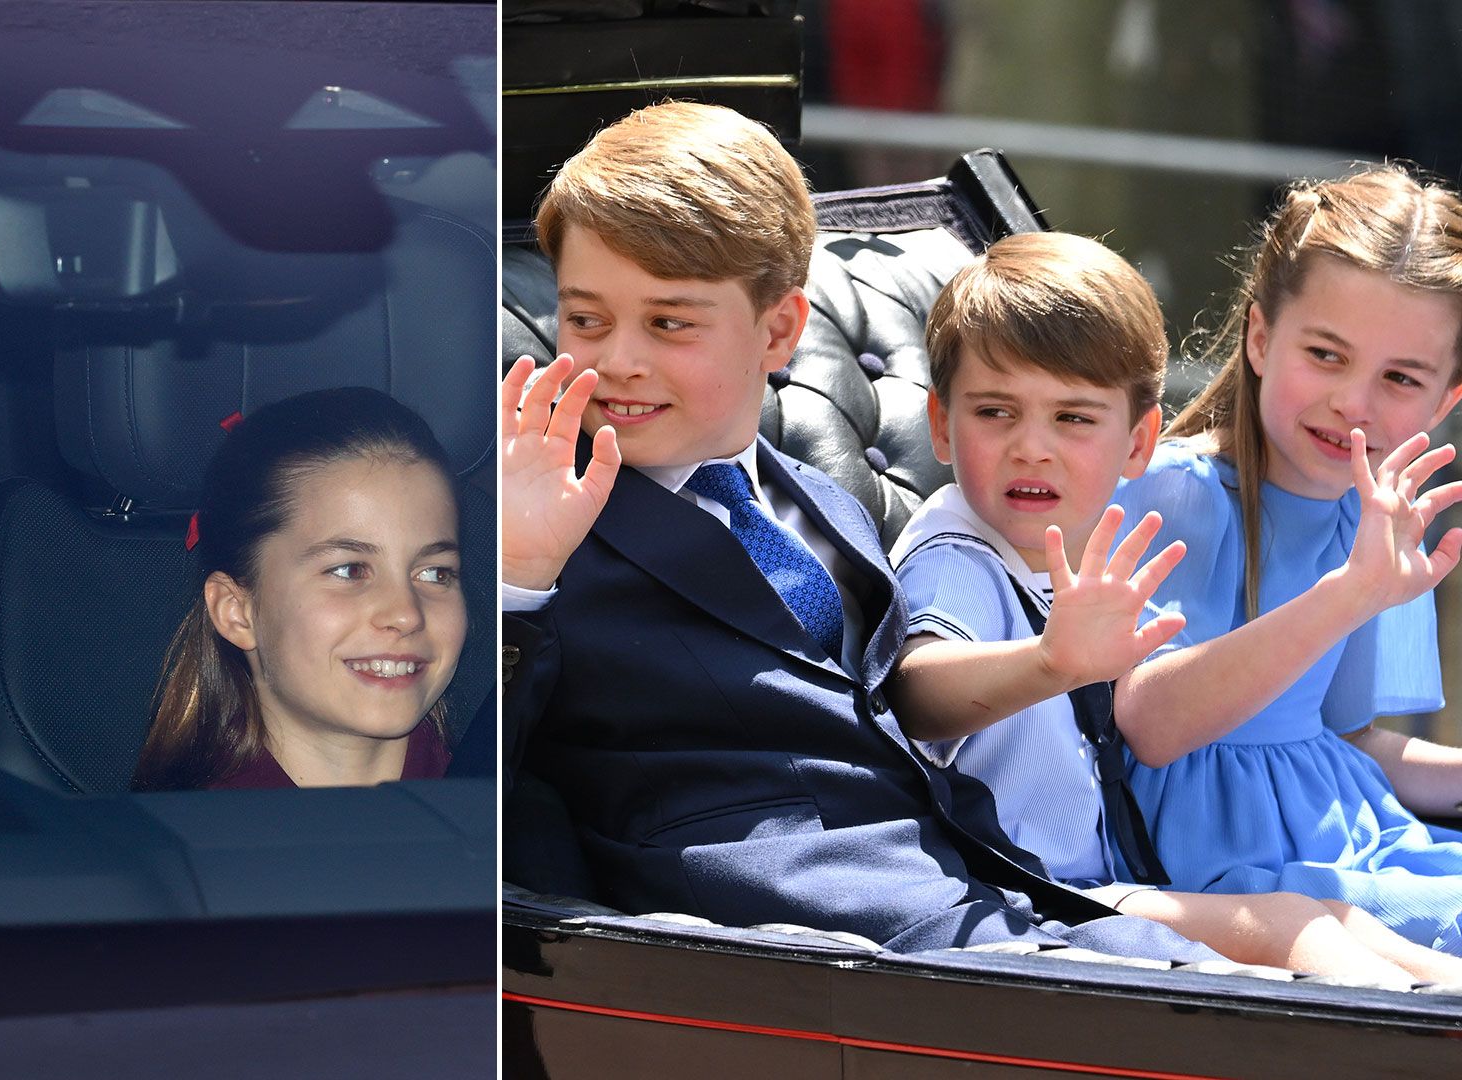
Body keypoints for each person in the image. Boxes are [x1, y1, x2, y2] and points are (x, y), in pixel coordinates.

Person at [501, 100, 1214, 961]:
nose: (618, 358)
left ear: (779, 331)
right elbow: (438, 773)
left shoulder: (820, 500)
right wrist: (521, 575)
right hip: (781, 921)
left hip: (969, 878)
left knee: (1290, 979)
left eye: (669, 322)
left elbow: (889, 709)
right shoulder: (538, 512)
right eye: (586, 320)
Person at [889, 230, 1462, 986]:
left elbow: (1345, 740)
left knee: (1353, 936)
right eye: (996, 412)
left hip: (1179, 866)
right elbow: (916, 691)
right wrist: (1048, 661)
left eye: (1072, 419)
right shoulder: (980, 545)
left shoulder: (1367, 519)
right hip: (1080, 885)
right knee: (1306, 924)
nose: (1033, 448)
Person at [1108, 164, 1462, 953]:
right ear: (1262, 338)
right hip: (1243, 875)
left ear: (1443, 404)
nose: (1354, 403)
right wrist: (1350, 592)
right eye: (1327, 355)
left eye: (1400, 378)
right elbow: (1150, 725)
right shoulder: (1176, 493)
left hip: (1362, 843)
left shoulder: (1376, 517)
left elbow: (1347, 741)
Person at [131, 387, 465, 791]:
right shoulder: (184, 838)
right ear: (237, 611)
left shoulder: (491, 793)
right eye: (349, 570)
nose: (406, 614)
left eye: (435, 574)